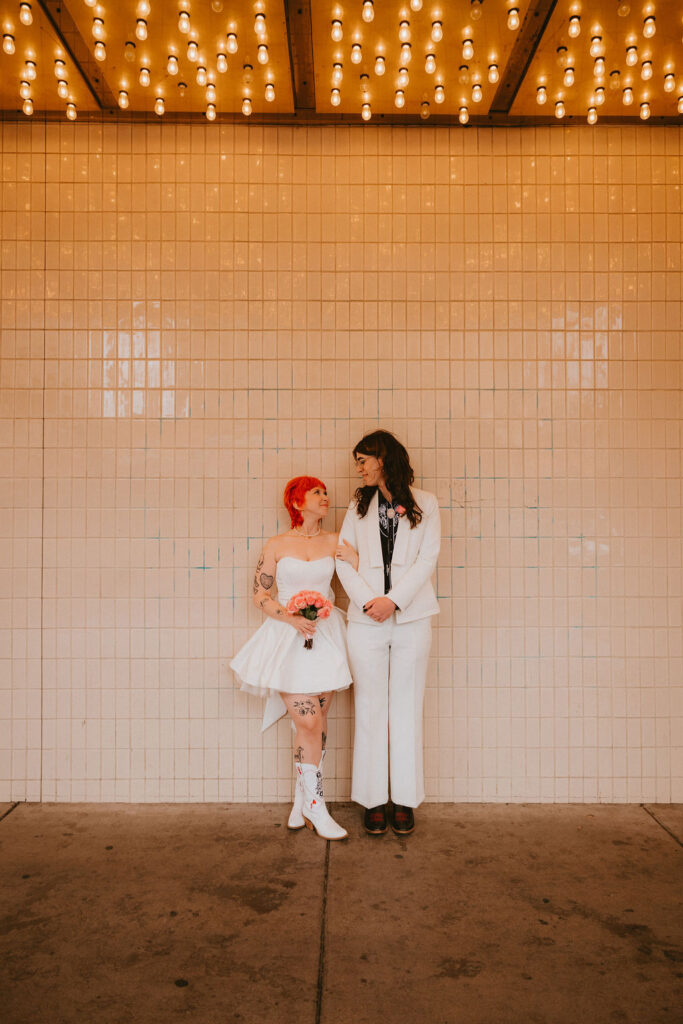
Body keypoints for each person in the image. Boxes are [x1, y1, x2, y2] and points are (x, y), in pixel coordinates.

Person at [230, 476, 357, 841]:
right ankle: (317, 809)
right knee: (309, 721)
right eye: (317, 492)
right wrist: (291, 617)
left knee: (315, 723)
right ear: (297, 502)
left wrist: (356, 558)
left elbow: (356, 575)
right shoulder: (277, 544)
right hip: (288, 637)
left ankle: (301, 799)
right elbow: (259, 593)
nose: (325, 496)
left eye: (325, 492)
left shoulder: (335, 541)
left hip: (326, 637)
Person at [335, 431, 441, 836]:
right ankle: (373, 799)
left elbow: (427, 559)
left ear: (383, 459)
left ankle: (405, 800)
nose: (359, 468)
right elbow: (343, 560)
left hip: (412, 618)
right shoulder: (357, 505)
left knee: (406, 707)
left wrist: (393, 601)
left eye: (364, 460)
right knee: (371, 707)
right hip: (366, 621)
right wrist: (368, 602)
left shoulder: (425, 503)